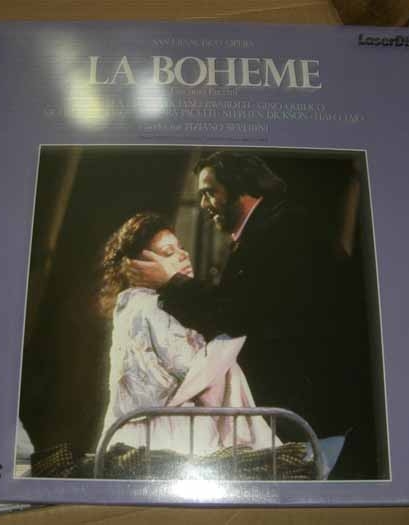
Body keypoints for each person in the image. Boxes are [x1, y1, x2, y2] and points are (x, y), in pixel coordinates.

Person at [127, 152, 320, 442]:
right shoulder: (262, 229)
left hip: (301, 404)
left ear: (240, 187)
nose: (204, 204)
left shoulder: (278, 229)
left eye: (210, 193)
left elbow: (236, 313)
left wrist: (172, 282)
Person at [98, 212, 278, 455]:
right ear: (140, 267)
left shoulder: (145, 305)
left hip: (159, 435)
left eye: (181, 248)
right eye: (168, 253)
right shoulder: (145, 306)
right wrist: (229, 341)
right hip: (162, 440)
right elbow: (192, 369)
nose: (184, 255)